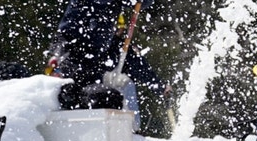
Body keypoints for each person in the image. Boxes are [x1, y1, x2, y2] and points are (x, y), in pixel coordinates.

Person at [45, 0, 170, 131]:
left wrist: (160, 87)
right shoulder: (84, 14)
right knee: (107, 97)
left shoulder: (111, 43)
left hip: (91, 84)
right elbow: (64, 34)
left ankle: (125, 136)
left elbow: (134, 62)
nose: (119, 31)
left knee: (112, 96)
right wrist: (57, 55)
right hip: (70, 81)